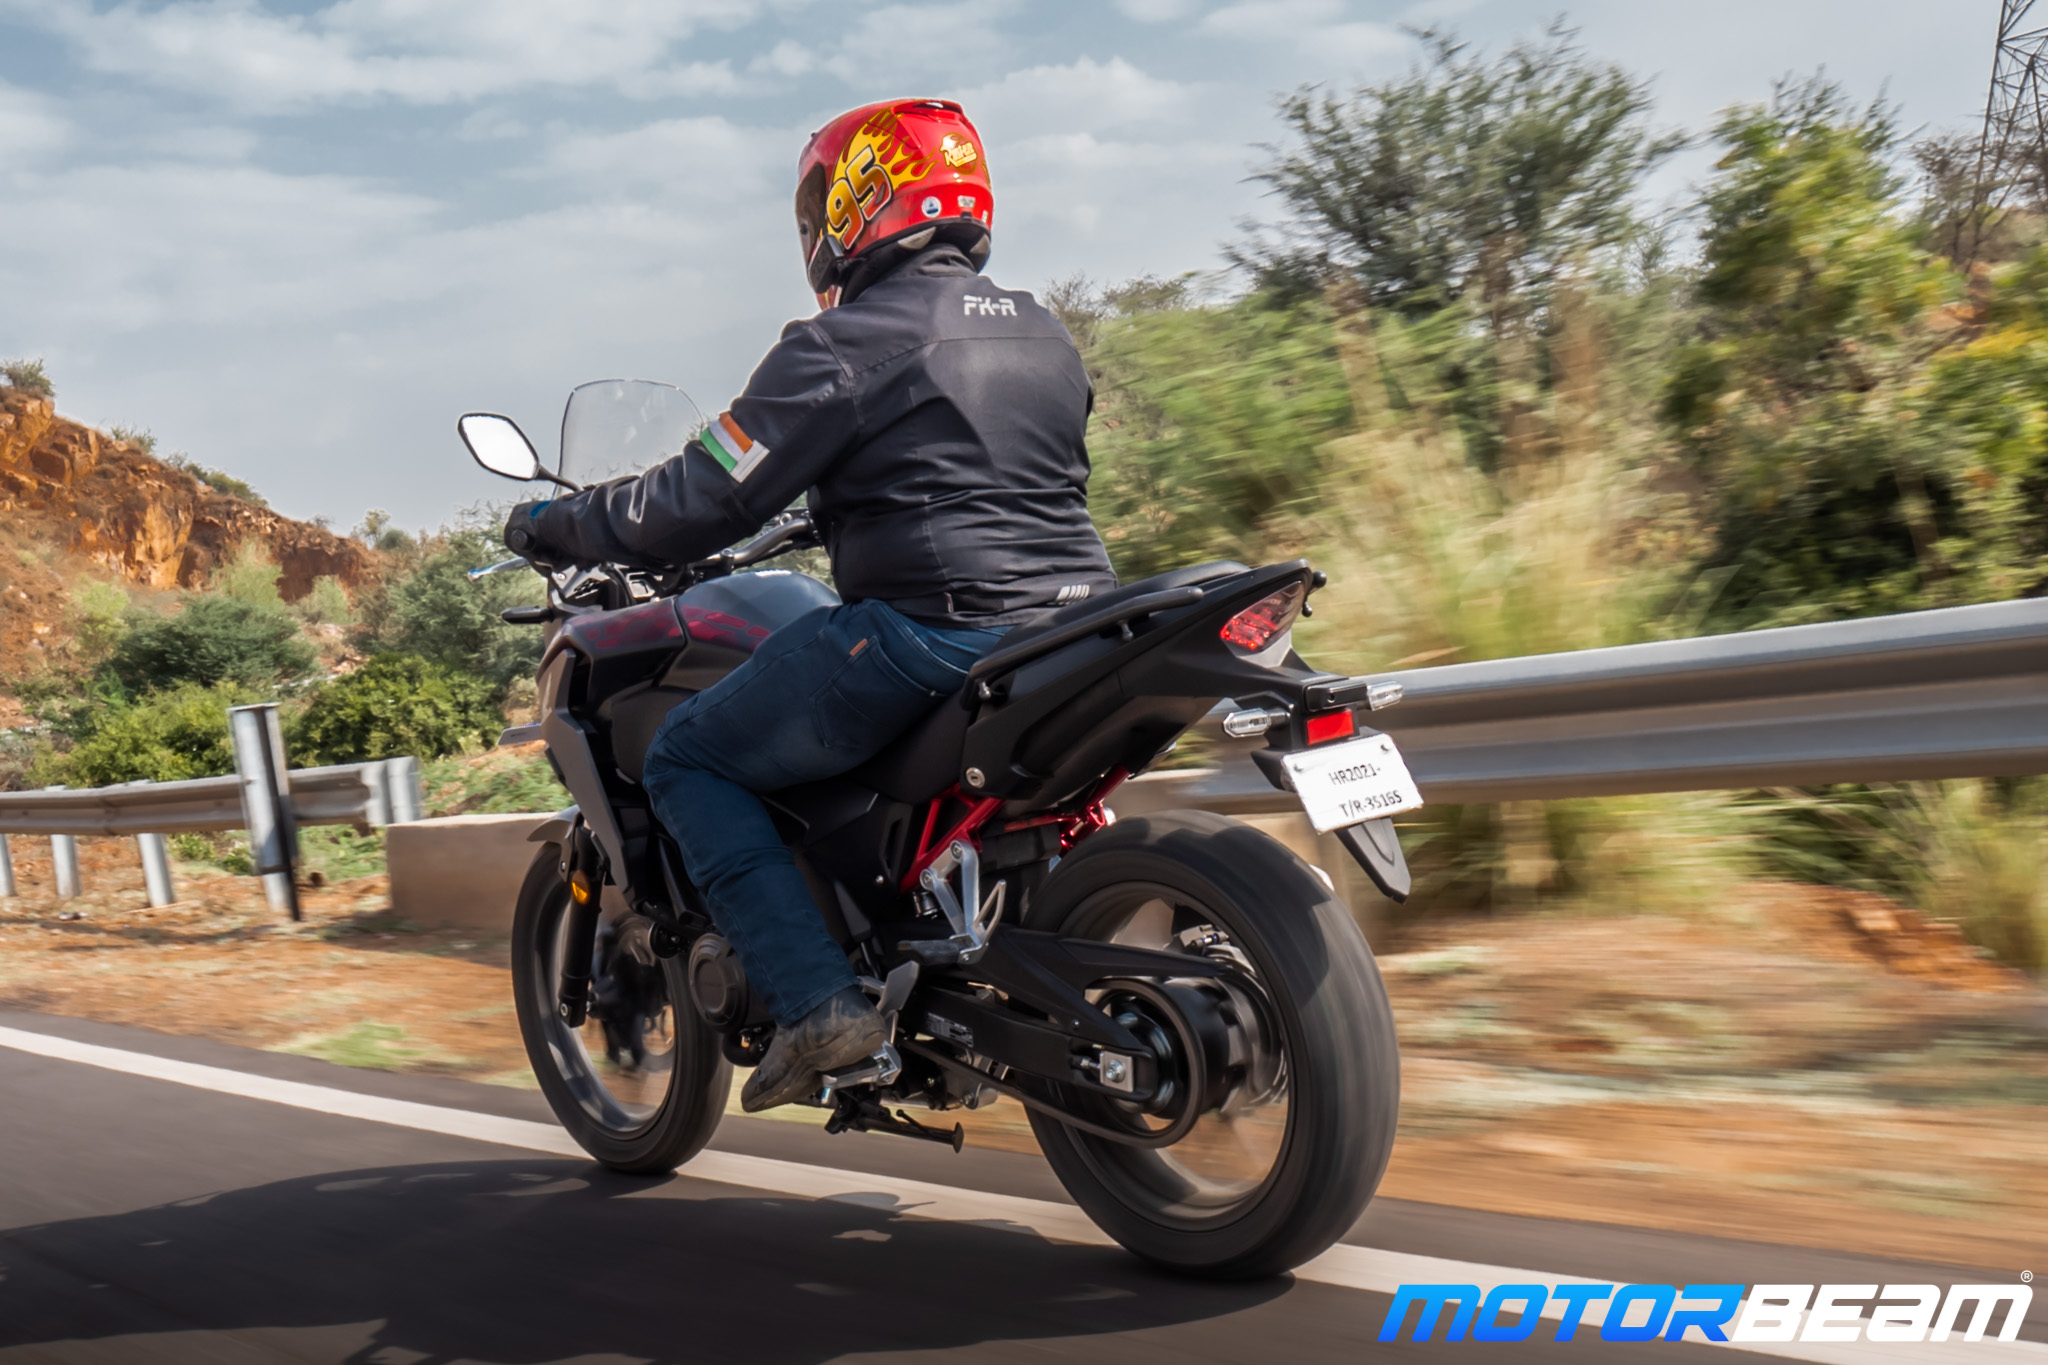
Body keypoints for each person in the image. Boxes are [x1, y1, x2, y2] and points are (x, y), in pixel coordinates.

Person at [503, 98, 1116, 1112]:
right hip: (1075, 621)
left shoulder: (845, 342)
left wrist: (557, 524)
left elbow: (695, 500)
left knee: (688, 757)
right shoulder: (1041, 330)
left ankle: (819, 1005)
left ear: (858, 202)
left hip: (929, 633)